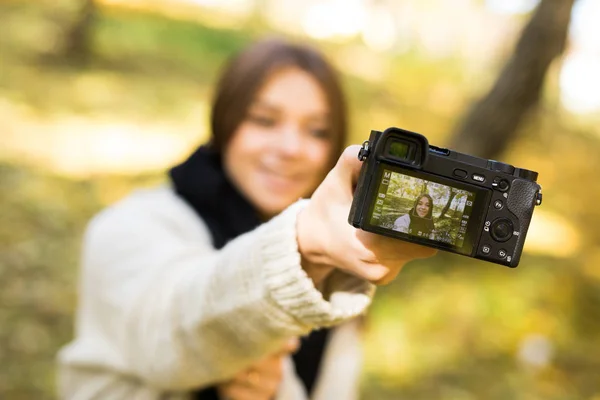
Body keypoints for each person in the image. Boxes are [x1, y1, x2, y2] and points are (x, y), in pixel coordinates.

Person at [57, 38, 436, 400]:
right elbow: (168, 328)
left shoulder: (343, 265)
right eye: (264, 120)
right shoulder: (129, 226)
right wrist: (300, 248)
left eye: (317, 131)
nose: (290, 148)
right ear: (225, 123)